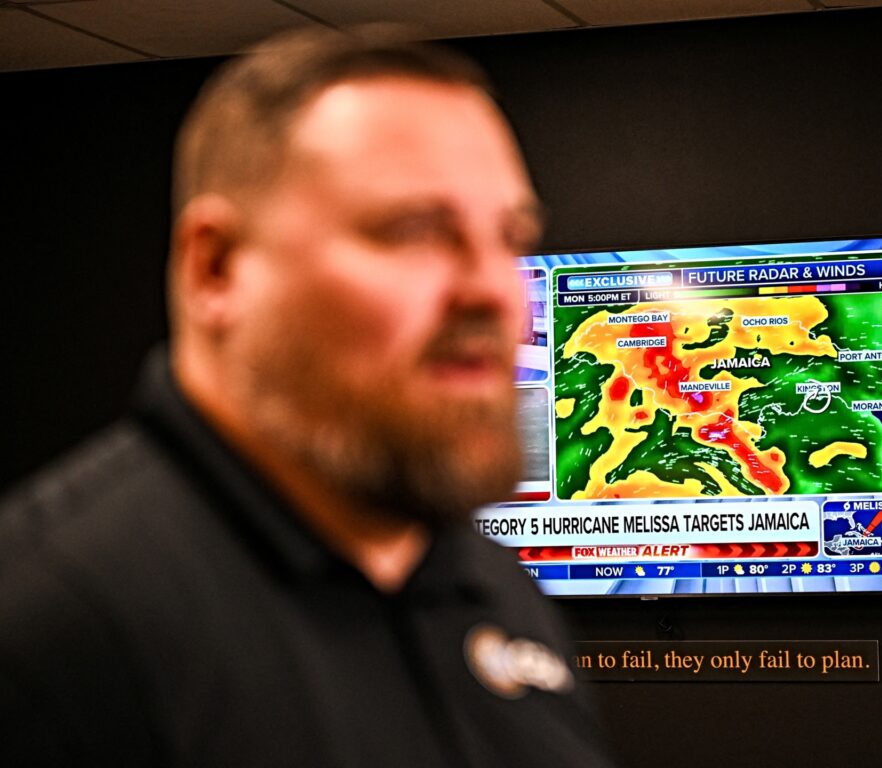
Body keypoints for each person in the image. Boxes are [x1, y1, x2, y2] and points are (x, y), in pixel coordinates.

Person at [0, 28, 614, 767]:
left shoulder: (500, 601)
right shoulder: (48, 632)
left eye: (509, 238)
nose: (493, 289)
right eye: (415, 231)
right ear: (217, 269)